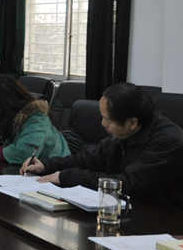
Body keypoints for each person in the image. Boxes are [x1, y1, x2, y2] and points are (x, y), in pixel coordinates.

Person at [21, 83, 183, 208]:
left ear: (132, 122)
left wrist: (67, 177)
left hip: (163, 221)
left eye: (108, 119)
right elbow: (88, 158)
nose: (103, 124)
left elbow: (128, 184)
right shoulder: (126, 132)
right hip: (126, 209)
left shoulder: (169, 141)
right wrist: (46, 165)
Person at [0, 77, 69, 164]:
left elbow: (24, 153)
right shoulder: (13, 118)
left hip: (54, 172)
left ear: (5, 105)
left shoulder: (37, 119)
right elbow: (1, 138)